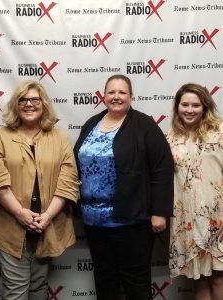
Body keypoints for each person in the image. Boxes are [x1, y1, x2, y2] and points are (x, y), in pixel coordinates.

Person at [0, 80, 80, 300]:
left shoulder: (60, 138)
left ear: (44, 104)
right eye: (23, 100)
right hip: (9, 225)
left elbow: (68, 181)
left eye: (34, 99)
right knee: (16, 291)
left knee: (39, 287)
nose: (29, 104)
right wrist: (20, 213)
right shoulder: (0, 137)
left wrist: (47, 216)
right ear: (16, 105)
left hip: (47, 227)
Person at [74, 74, 174, 300]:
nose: (116, 97)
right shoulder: (92, 123)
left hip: (131, 221)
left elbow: (162, 167)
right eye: (111, 92)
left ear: (131, 96)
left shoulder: (144, 125)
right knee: (104, 280)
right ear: (103, 96)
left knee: (135, 283)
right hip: (94, 222)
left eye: (122, 92)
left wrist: (160, 211)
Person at [167, 83, 223, 300]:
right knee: (198, 277)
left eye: (195, 105)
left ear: (204, 107)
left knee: (219, 277)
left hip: (217, 217)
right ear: (177, 106)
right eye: (184, 105)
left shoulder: (219, 131)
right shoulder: (171, 136)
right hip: (187, 218)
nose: (189, 110)